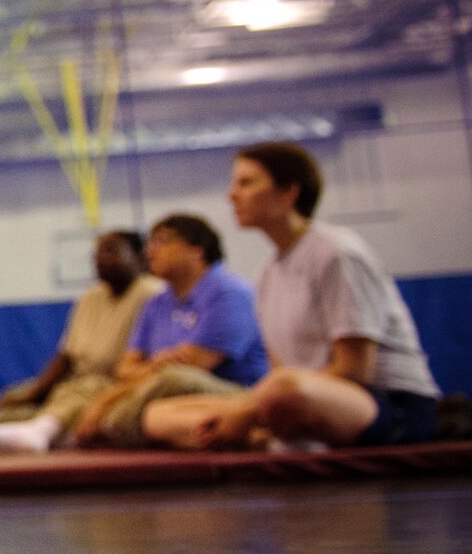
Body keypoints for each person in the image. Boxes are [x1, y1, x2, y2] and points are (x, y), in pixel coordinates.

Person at [144, 143, 440, 450]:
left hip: (389, 404)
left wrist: (248, 410)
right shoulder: (267, 275)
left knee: (284, 390)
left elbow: (354, 371)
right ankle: (264, 432)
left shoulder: (337, 253)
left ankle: (258, 431)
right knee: (158, 413)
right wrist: (250, 408)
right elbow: (278, 367)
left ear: (288, 193)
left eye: (246, 183)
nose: (231, 195)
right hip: (294, 397)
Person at [0, 215, 266, 453]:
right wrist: (157, 364)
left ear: (196, 250)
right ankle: (72, 428)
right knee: (102, 398)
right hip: (155, 393)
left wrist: (112, 397)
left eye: (162, 241)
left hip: (229, 393)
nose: (152, 250)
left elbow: (192, 368)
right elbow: (127, 367)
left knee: (162, 382)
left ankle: (68, 429)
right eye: (150, 242)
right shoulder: (159, 302)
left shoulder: (228, 293)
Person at [0, 230, 163, 443]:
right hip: (76, 384)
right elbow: (66, 355)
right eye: (96, 254)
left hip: (115, 386)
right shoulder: (90, 297)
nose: (100, 259)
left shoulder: (152, 294)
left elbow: (151, 363)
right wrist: (35, 393)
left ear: (139, 257)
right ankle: (53, 430)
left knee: (79, 397)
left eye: (110, 251)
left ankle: (44, 431)